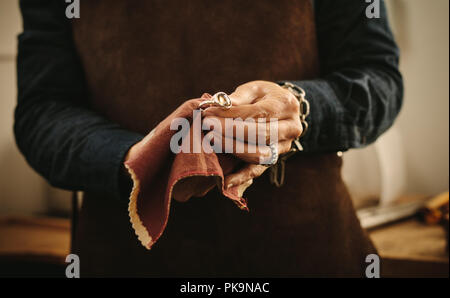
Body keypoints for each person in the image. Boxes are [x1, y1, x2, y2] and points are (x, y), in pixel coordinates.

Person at [15, 0, 403, 277]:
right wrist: (138, 161)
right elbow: (42, 111)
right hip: (122, 259)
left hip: (309, 253)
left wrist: (299, 108)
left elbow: (377, 80)